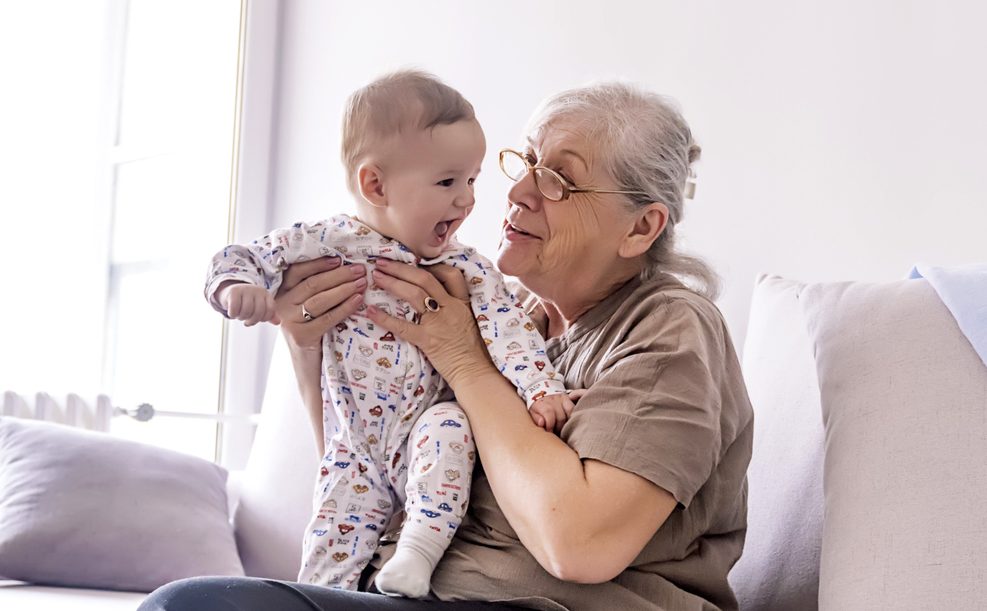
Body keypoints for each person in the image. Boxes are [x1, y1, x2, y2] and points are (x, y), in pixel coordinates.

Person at [141, 82, 753, 611]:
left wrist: (463, 359)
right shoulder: (508, 314)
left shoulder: (668, 327)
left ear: (641, 227)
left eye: (561, 179)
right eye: (527, 162)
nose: (518, 194)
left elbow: (579, 545)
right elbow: (374, 462)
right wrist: (305, 347)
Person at [202, 70, 573, 598]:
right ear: (375, 185)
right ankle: (322, 597)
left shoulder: (465, 266)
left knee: (450, 427)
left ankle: (417, 552)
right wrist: (235, 286)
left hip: (425, 429)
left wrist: (541, 388)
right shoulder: (327, 243)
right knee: (329, 547)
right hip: (354, 446)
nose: (467, 201)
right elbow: (242, 256)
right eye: (448, 183)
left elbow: (510, 330)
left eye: (471, 181)